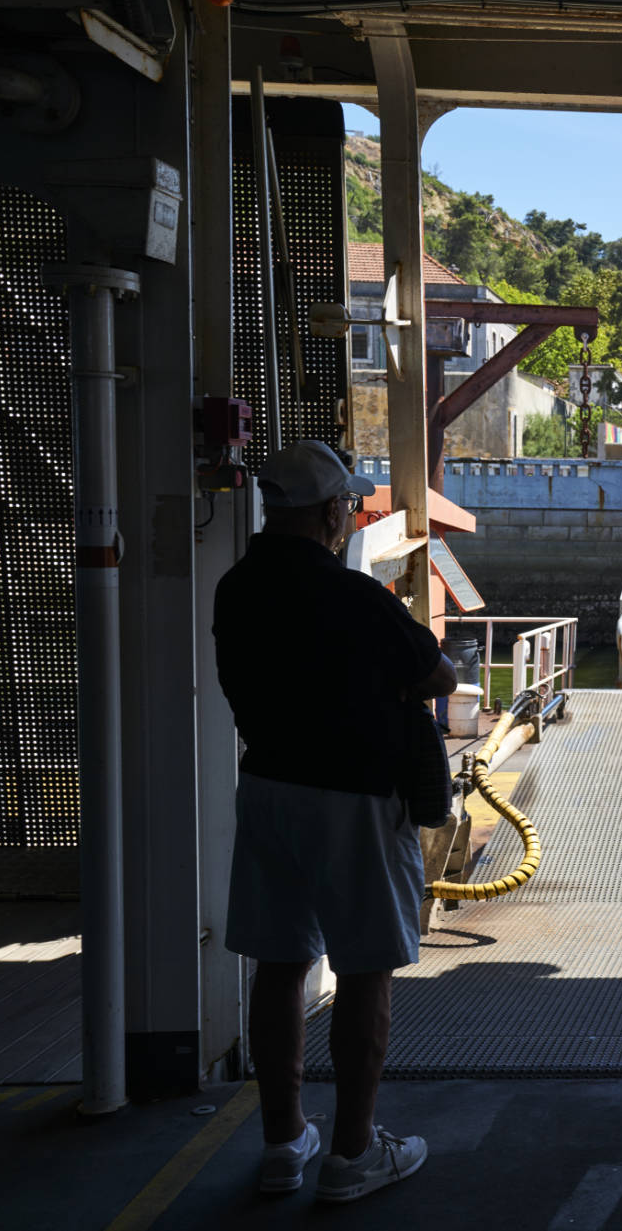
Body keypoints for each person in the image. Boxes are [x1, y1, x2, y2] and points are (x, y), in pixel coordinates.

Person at [214, 440, 456, 1203]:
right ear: (329, 512)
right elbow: (437, 674)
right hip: (351, 797)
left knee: (279, 964)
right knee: (362, 970)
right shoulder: (355, 596)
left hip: (266, 787)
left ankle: (284, 1141)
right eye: (348, 505)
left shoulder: (234, 590)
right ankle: (352, 1153)